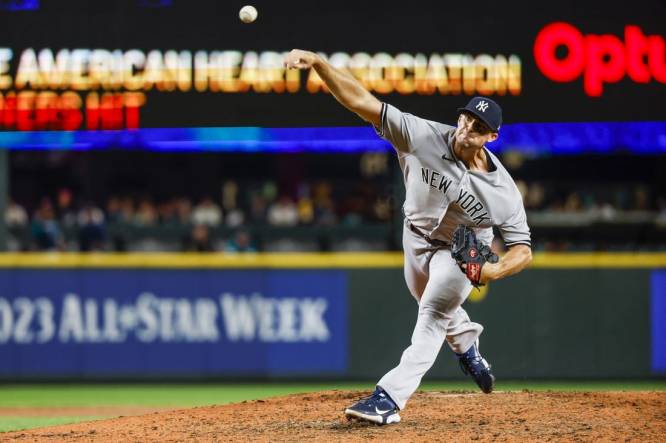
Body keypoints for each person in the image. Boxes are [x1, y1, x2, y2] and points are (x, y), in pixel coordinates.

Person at [284, 50, 533, 425]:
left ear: (492, 136)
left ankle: (389, 398)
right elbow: (361, 101)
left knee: (433, 311)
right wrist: (320, 64)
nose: (468, 129)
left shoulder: (503, 192)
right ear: (459, 117)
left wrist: (492, 271)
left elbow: (523, 250)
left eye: (478, 126)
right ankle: (467, 344)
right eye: (467, 118)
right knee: (426, 298)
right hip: (414, 236)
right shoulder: (420, 135)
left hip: (464, 248)